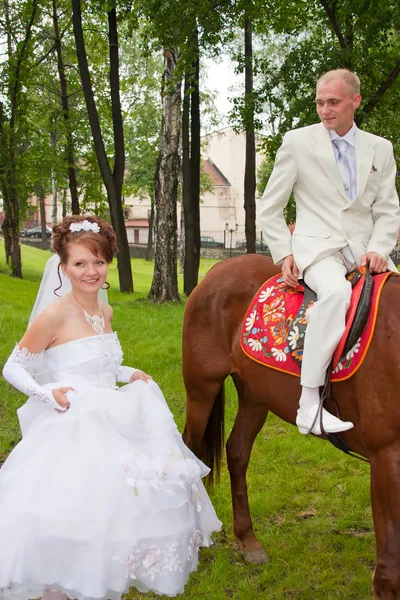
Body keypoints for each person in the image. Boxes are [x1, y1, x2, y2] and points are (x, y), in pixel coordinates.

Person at [0, 215, 221, 600]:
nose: (91, 271)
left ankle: (93, 584)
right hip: (73, 426)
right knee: (73, 516)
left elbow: (100, 363)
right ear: (64, 267)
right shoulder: (55, 314)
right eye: (80, 263)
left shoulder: (105, 312)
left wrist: (129, 372)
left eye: (98, 262)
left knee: (114, 515)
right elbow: (13, 367)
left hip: (110, 418)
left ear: (109, 263)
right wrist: (45, 394)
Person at [259, 68, 400, 436]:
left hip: (365, 252)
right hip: (316, 248)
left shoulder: (380, 149)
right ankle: (309, 403)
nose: (324, 109)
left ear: (355, 101)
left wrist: (380, 248)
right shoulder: (297, 142)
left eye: (333, 102)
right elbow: (270, 207)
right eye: (320, 102)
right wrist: (284, 252)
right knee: (336, 295)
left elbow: (387, 209)